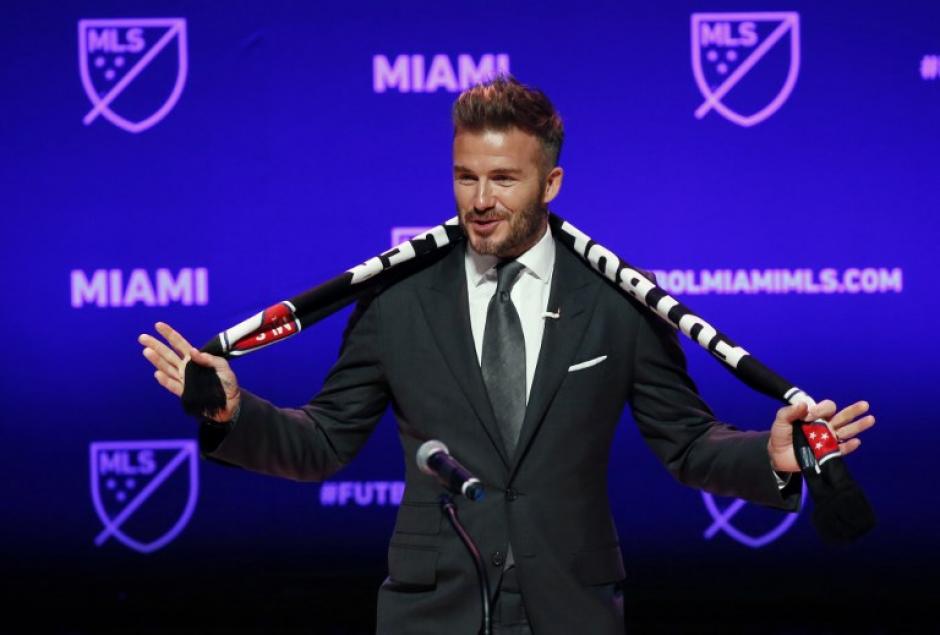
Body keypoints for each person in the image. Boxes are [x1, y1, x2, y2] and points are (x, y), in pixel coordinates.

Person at [138, 76, 875, 635]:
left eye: (503, 178)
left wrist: (774, 457)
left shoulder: (618, 301)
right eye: (465, 176)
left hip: (571, 607)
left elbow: (685, 442)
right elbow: (325, 440)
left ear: (551, 184)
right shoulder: (398, 297)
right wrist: (236, 412)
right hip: (433, 612)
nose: (479, 200)